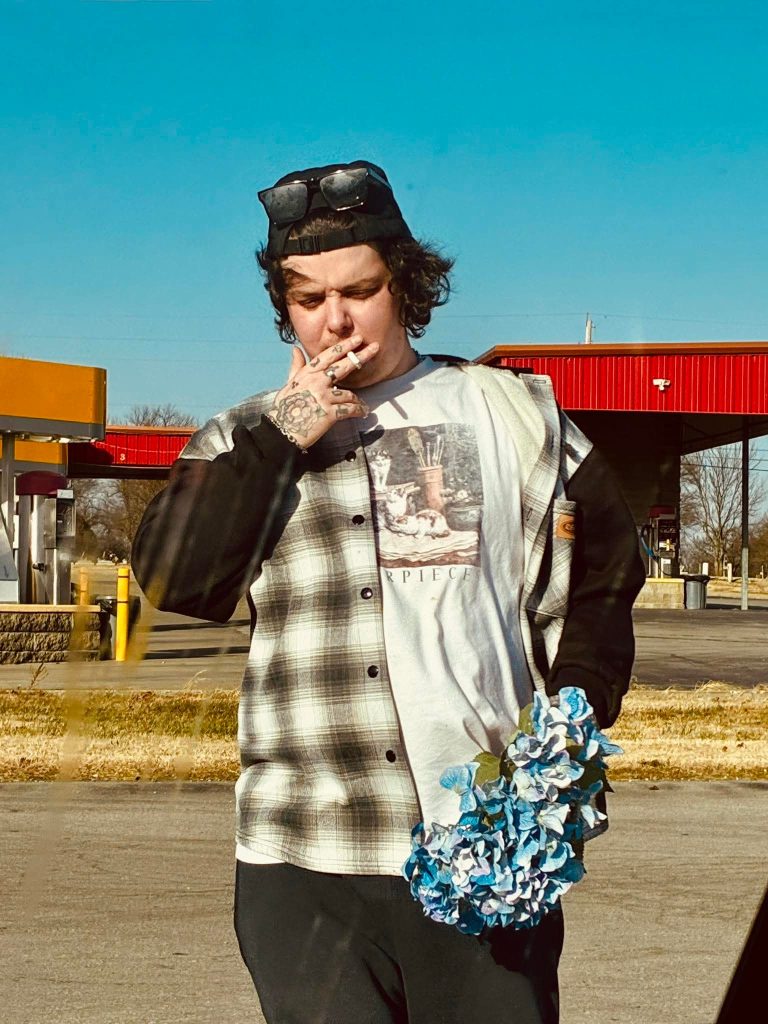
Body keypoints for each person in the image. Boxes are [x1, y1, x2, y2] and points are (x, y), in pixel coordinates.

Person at [132, 159, 646, 1024]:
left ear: (404, 283)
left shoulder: (510, 412)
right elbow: (177, 577)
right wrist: (287, 435)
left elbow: (607, 572)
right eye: (307, 299)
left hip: (481, 842)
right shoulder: (242, 436)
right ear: (284, 308)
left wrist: (577, 708)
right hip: (303, 856)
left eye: (359, 290)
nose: (334, 318)